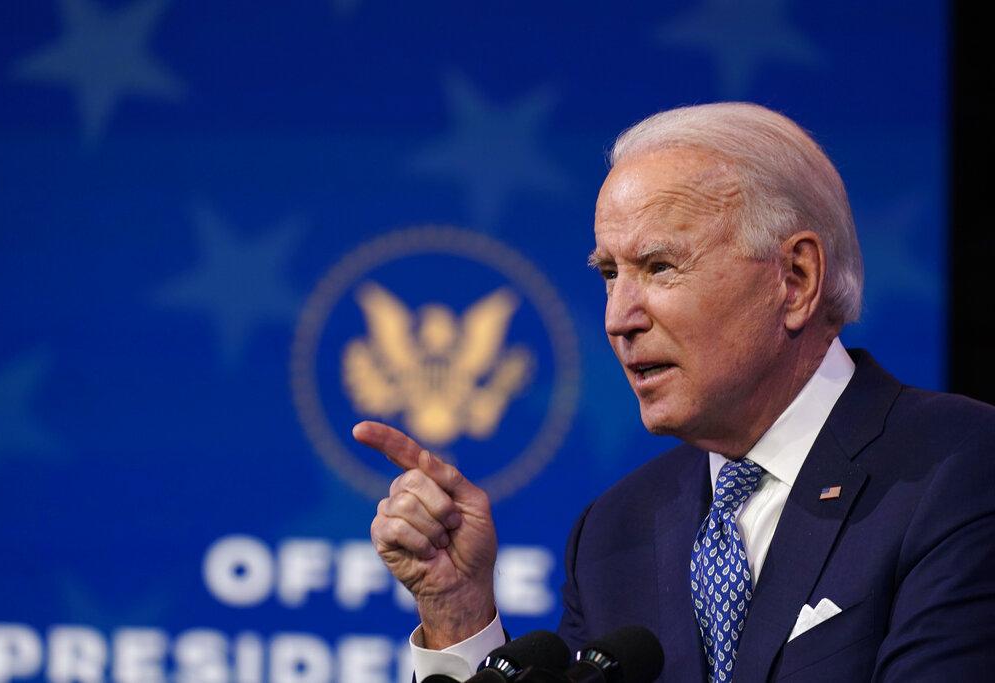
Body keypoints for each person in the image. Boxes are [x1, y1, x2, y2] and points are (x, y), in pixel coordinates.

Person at [352, 102, 995, 682]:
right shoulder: (615, 531)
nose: (618, 317)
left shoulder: (958, 468)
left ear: (795, 279)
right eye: (609, 273)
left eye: (659, 267)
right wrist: (458, 611)